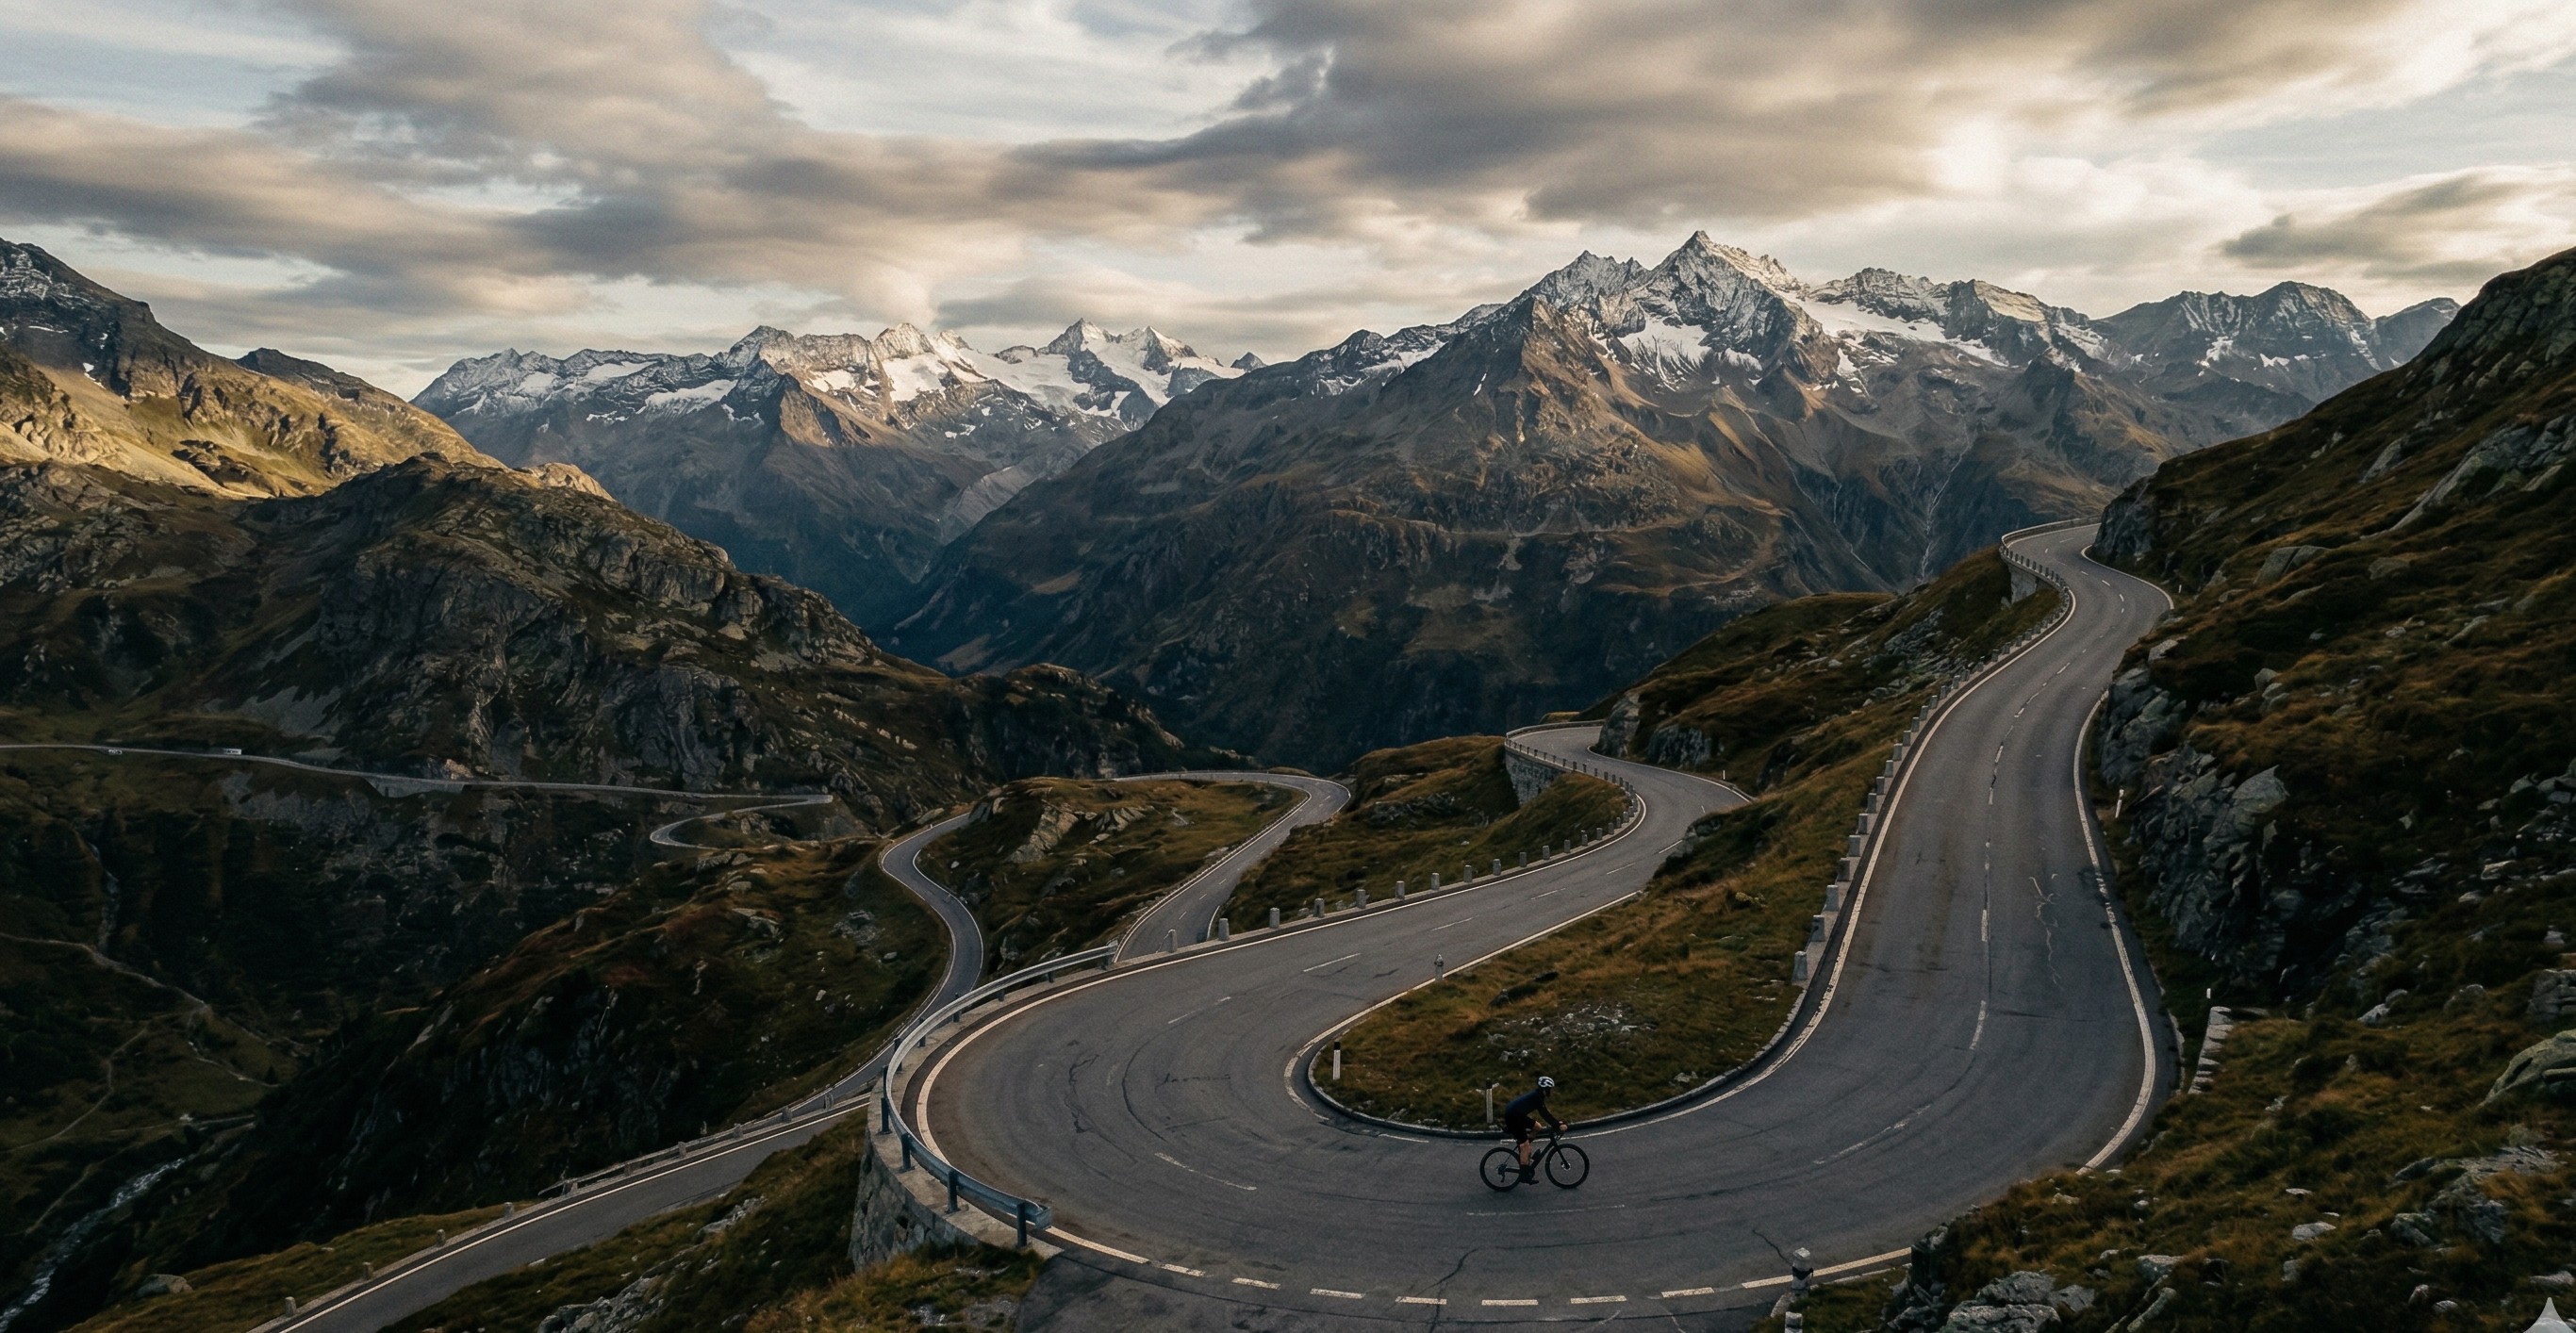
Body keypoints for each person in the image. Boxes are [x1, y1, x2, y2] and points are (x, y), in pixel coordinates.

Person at [1501, 1077, 1565, 1181]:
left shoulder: (1538, 1096)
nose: (1550, 1092)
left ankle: (1526, 1149)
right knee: (1525, 1146)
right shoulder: (1537, 1097)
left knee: (1538, 1127)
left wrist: (1556, 1123)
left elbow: (1545, 1113)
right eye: (1550, 1089)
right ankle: (1524, 1175)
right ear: (1545, 1089)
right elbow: (1545, 1114)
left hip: (1516, 1114)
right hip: (1513, 1117)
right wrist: (1557, 1125)